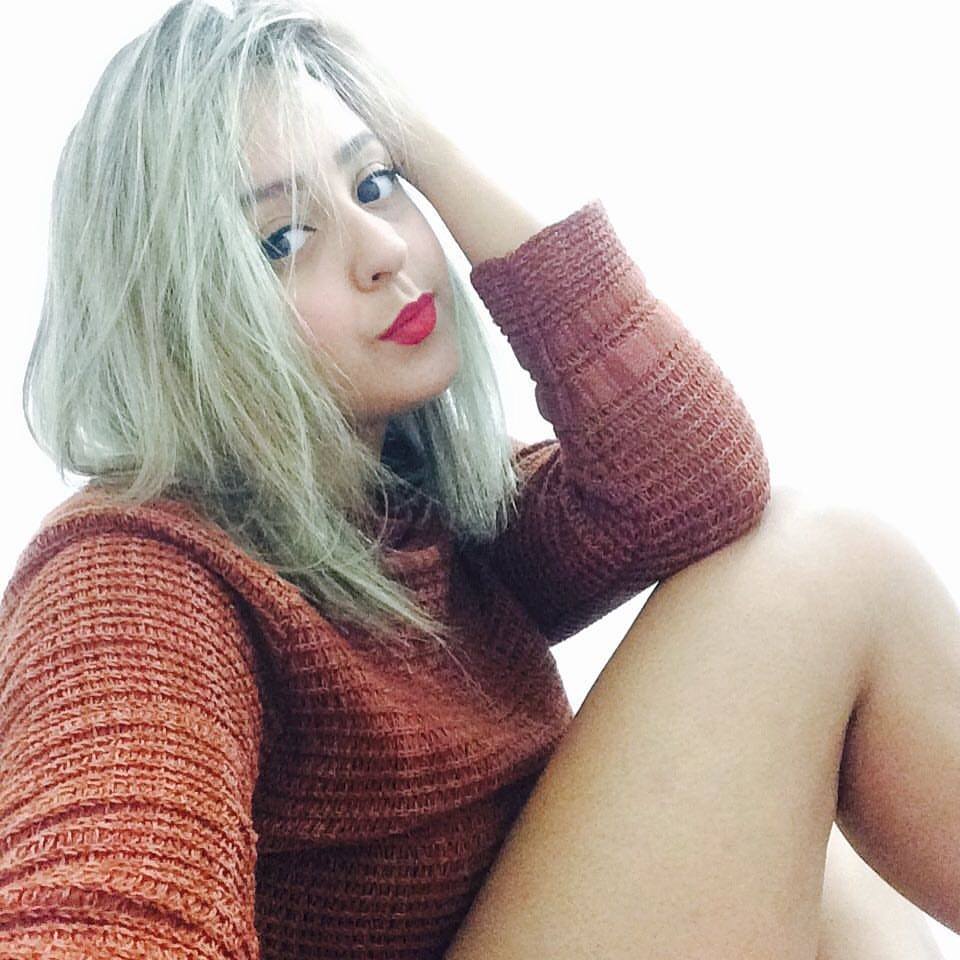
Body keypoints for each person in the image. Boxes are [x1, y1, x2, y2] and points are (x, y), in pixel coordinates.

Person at [0, 1, 955, 958]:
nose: (383, 252)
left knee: (792, 817)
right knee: (829, 562)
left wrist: (419, 137)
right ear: (173, 322)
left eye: (377, 185)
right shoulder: (133, 581)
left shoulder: (410, 511)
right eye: (282, 240)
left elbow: (693, 481)